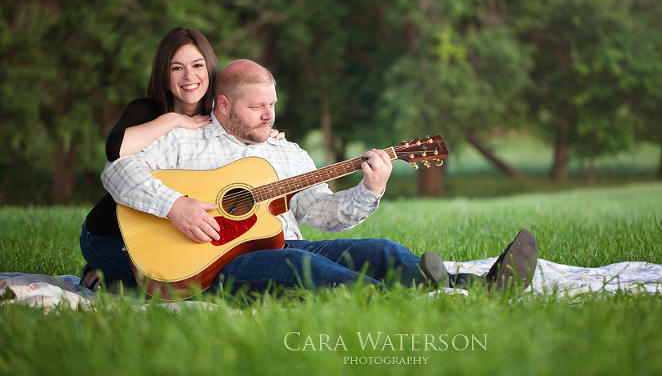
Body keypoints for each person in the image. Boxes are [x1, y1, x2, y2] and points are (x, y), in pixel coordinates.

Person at [99, 59, 539, 296]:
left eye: (272, 104)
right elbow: (117, 170)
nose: (269, 115)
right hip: (215, 265)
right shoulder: (185, 138)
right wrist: (174, 206)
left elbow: (321, 213)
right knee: (304, 265)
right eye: (257, 107)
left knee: (381, 250)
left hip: (286, 243)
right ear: (224, 106)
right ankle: (407, 303)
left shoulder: (287, 153)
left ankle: (481, 288)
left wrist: (371, 187)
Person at [79, 27, 284, 291]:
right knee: (172, 288)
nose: (189, 76)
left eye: (197, 65)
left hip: (171, 231)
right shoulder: (146, 109)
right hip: (112, 228)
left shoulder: (219, 115)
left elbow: (247, 132)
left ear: (210, 69)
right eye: (177, 68)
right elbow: (116, 150)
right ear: (164, 75)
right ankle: (96, 271)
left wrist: (266, 134)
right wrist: (174, 120)